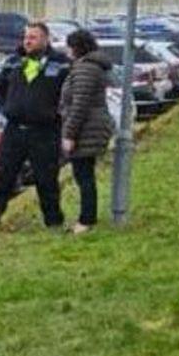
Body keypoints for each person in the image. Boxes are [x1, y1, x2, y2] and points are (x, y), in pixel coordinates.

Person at [0, 20, 70, 229]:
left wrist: (57, 113)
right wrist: (7, 108)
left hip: (45, 131)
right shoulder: (14, 62)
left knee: (46, 178)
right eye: (26, 38)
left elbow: (70, 94)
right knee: (3, 175)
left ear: (45, 39)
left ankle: (53, 221)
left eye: (33, 38)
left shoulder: (61, 64)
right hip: (15, 129)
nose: (28, 42)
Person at [59, 29, 115, 234]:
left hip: (86, 129)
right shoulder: (91, 67)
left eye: (69, 46)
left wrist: (69, 134)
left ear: (77, 47)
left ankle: (86, 220)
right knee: (85, 174)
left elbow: (79, 105)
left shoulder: (85, 69)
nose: (66, 51)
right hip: (91, 127)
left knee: (83, 175)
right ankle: (86, 218)